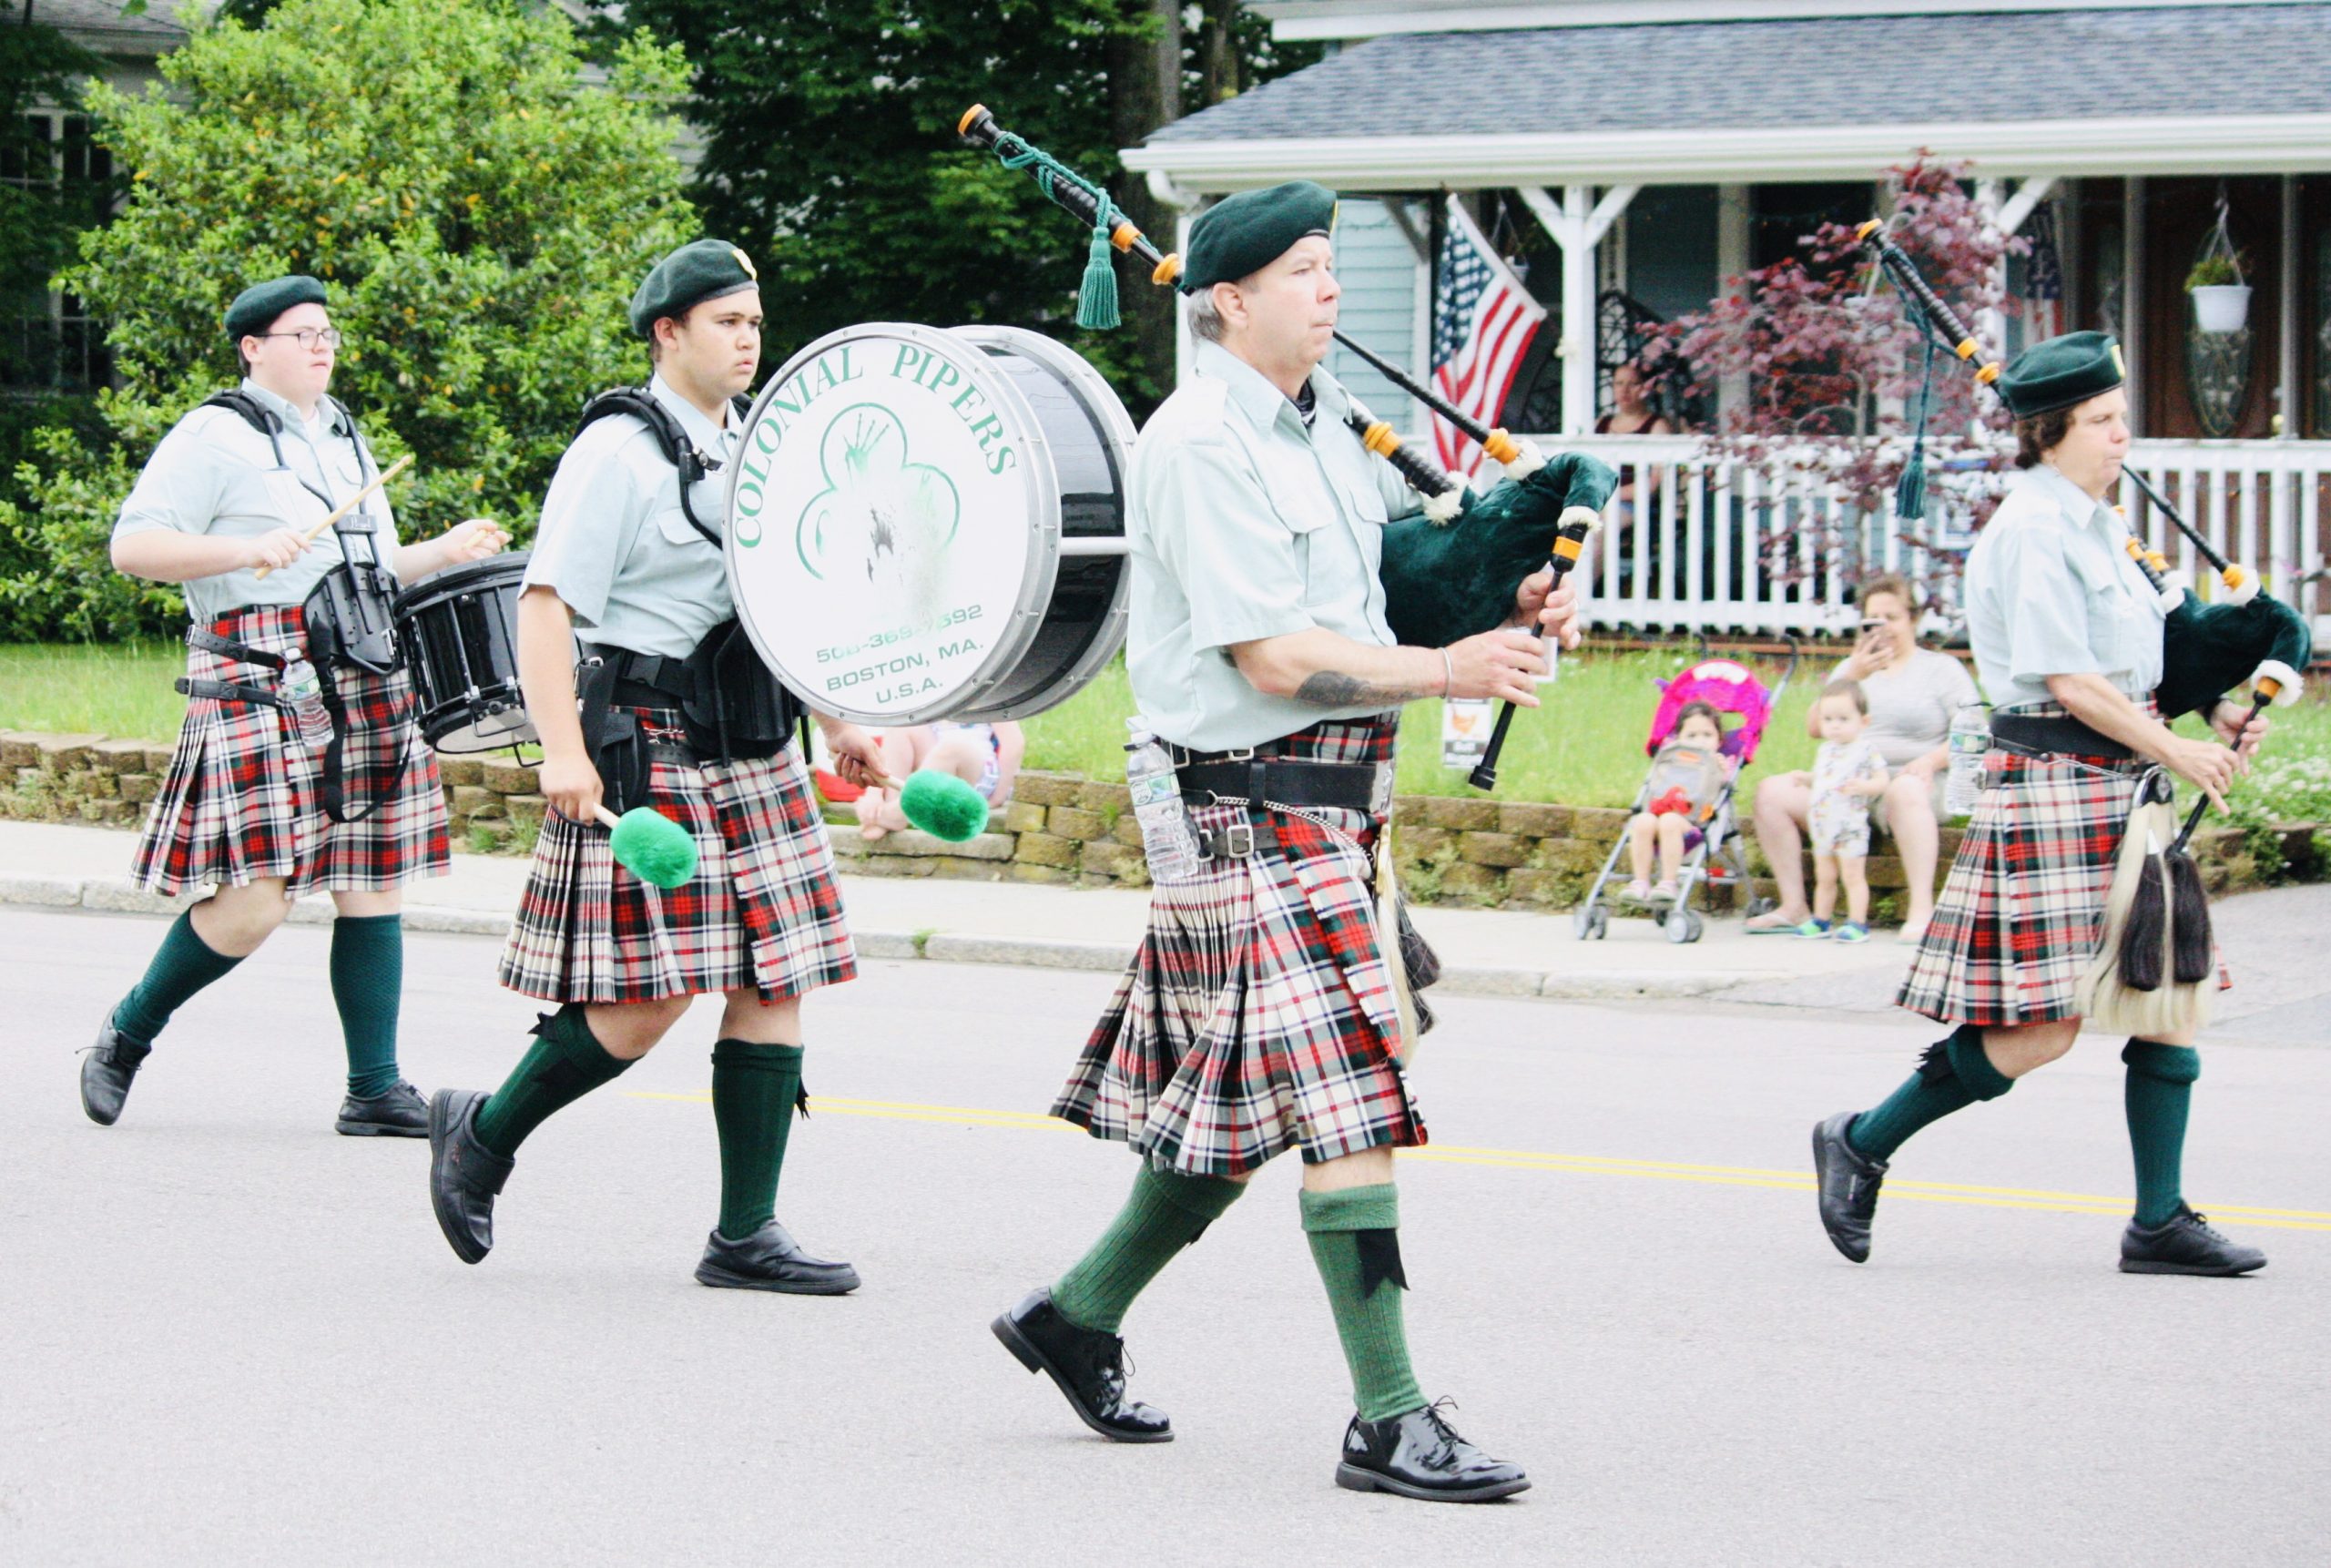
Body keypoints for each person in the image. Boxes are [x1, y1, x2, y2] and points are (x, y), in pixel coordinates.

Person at [988, 181, 1581, 1503]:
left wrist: (1507, 599)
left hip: (1336, 807)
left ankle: (1076, 1314)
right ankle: (1391, 1419)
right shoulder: (1199, 442)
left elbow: (1378, 599)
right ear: (1228, 299)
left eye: (1329, 266)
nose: (1330, 289)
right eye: (1305, 269)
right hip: (1244, 804)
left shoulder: (1324, 431)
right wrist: (1451, 670)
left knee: (1256, 1100)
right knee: (1349, 1092)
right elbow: (1271, 655)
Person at [423, 239, 887, 1292]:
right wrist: (562, 751)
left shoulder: (758, 444)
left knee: (775, 977)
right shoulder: (618, 453)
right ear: (668, 332)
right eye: (727, 322)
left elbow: (782, 602)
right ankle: (481, 1137)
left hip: (752, 738)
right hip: (649, 737)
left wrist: (838, 719)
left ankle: (745, 1236)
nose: (748, 340)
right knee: (645, 1002)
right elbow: (546, 608)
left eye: (755, 322)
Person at [1811, 330, 2271, 1278]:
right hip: (2058, 782)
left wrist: (2217, 710)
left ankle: (2159, 1222)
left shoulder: (2103, 528)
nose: (2121, 436)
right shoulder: (2029, 531)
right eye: (2102, 421)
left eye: (2121, 417)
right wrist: (2177, 750)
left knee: (2166, 996)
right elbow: (2067, 679)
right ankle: (1861, 1139)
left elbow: (2134, 665)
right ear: (2051, 432)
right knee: (2040, 1029)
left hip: (2124, 781)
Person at [82, 274, 506, 1136]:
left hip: (363, 665)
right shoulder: (213, 434)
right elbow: (133, 547)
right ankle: (126, 1033)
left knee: (372, 880)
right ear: (253, 347)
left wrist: (443, 551)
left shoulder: (344, 433)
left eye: (328, 334)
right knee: (257, 903)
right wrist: (242, 548)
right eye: (302, 334)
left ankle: (374, 1089)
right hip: (260, 674)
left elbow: (373, 572)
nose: (322, 347)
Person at [1746, 572, 1978, 942]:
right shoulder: (1853, 669)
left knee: (1905, 789)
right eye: (1874, 620)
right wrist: (1852, 675)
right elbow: (1815, 727)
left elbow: (1973, 733)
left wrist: (1931, 761)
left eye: (1892, 618)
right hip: (1849, 784)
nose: (1882, 627)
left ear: (1913, 619)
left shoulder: (1940, 669)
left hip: (1914, 782)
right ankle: (1794, 906)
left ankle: (1922, 911)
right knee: (1772, 793)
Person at [1797, 679, 1888, 944]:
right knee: (1824, 876)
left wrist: (1865, 787)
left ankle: (1858, 922)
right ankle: (1821, 919)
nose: (1834, 725)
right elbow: (1825, 779)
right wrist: (1806, 779)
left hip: (1849, 826)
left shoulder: (1865, 750)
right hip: (1823, 825)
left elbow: (1883, 780)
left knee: (1852, 876)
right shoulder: (1826, 749)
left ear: (1863, 721)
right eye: (1828, 719)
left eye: (1843, 719)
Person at [1621, 700, 1732, 904]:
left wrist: (1723, 772)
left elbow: (1719, 794)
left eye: (1707, 735)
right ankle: (1640, 882)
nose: (1699, 741)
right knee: (1643, 820)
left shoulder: (1719, 763)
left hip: (1693, 826)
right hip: (1659, 818)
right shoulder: (1670, 758)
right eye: (1691, 735)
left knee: (1670, 821)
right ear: (1678, 738)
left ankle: (1668, 882)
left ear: (1719, 739)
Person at [856, 719, 1024, 840]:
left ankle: (898, 812)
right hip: (936, 764)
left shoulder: (986, 692)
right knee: (900, 725)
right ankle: (889, 806)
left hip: (976, 773)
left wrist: (998, 796)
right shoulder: (934, 689)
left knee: (953, 747)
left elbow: (1014, 744)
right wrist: (874, 793)